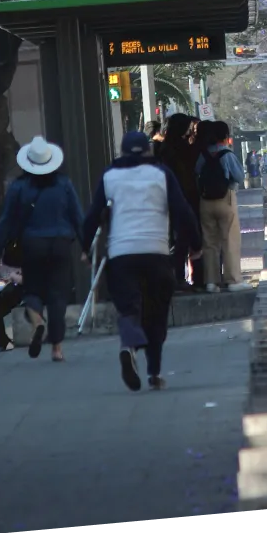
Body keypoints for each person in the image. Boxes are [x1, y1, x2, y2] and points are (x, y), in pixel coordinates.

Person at [82, 130, 202, 392]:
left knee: (128, 308)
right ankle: (154, 374)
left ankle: (128, 346)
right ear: (148, 150)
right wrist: (196, 245)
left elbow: (92, 215)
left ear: (122, 151)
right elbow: (183, 211)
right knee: (157, 314)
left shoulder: (109, 176)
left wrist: (84, 247)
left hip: (121, 255)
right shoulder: (162, 174)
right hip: (156, 253)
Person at [0, 135, 84, 362]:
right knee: (58, 296)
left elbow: (6, 221)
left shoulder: (19, 187)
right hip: (61, 245)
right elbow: (78, 217)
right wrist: (87, 247)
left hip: (31, 245)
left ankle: (38, 323)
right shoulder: (64, 184)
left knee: (32, 291)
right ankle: (57, 349)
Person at [195, 120, 251, 294]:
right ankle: (233, 280)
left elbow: (196, 173)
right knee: (229, 240)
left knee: (209, 242)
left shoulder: (203, 154)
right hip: (225, 199)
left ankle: (211, 282)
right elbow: (240, 177)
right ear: (226, 137)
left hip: (205, 202)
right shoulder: (227, 154)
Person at [158, 112, 204, 291]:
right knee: (187, 237)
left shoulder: (163, 148)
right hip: (186, 195)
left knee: (176, 239)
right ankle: (189, 277)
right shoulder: (182, 147)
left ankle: (177, 276)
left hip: (169, 197)